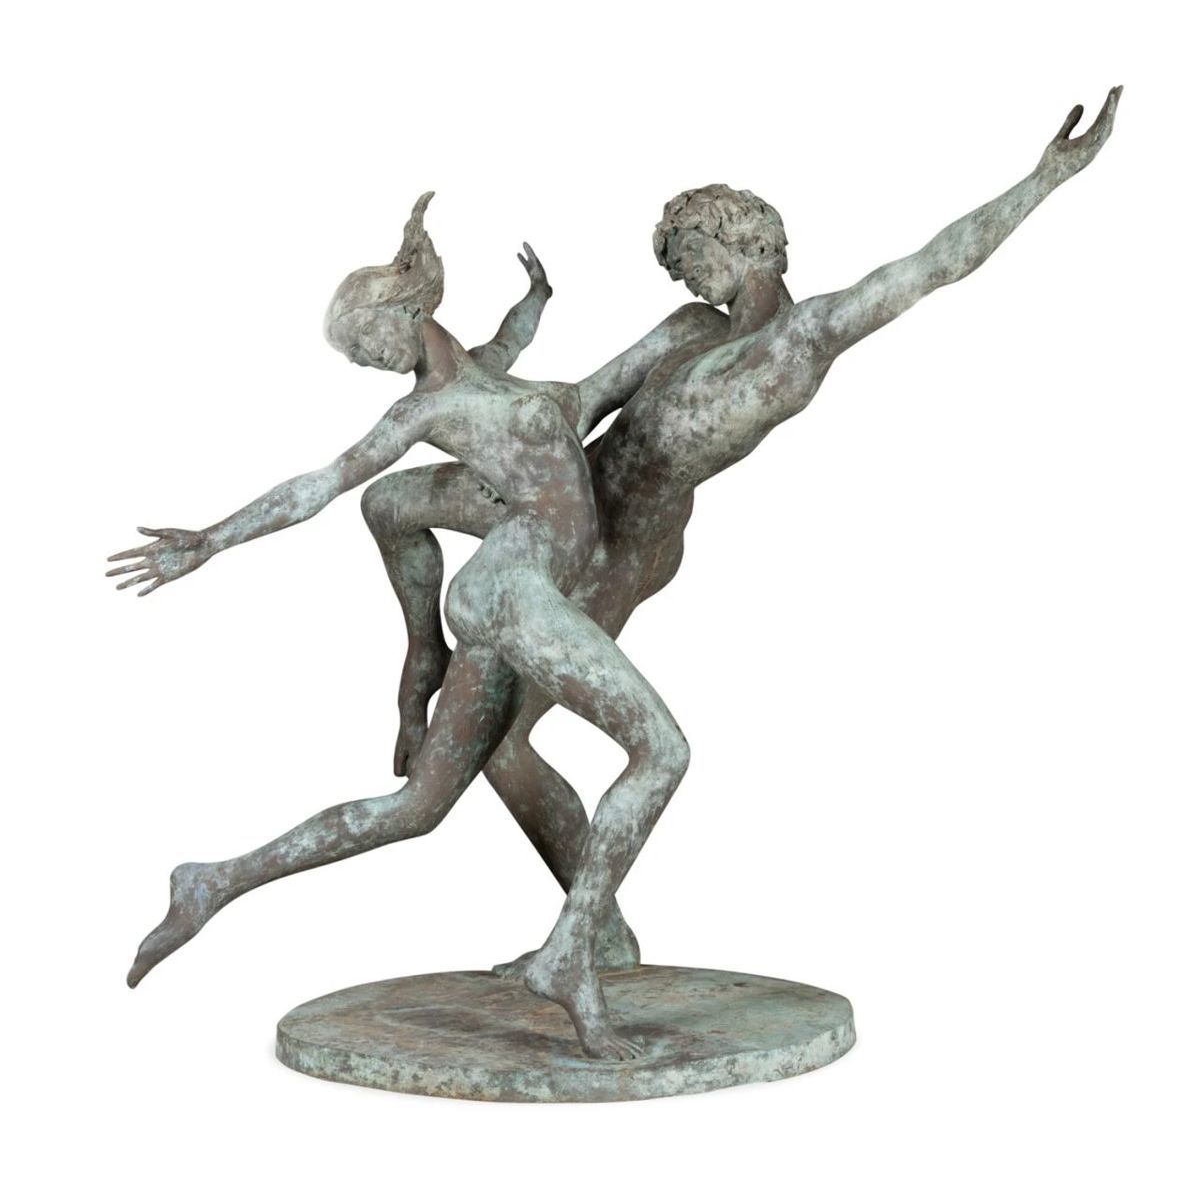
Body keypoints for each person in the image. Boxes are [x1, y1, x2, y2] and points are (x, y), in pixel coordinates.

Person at [360, 89, 1124, 975]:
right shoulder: (691, 327)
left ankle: (591, 932)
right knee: (387, 503)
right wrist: (473, 391)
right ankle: (424, 661)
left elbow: (927, 267)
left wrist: (1042, 179)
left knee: (502, 743)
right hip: (561, 492)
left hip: (618, 547)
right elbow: (584, 399)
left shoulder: (800, 343)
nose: (685, 277)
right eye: (678, 263)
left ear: (744, 240)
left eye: (689, 255)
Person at [110, 193, 690, 1061]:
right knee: (662, 750)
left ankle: (212, 882)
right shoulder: (425, 408)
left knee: (414, 808)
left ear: (405, 310)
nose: (368, 361)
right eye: (358, 353)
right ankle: (571, 957)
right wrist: (214, 539)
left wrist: (535, 302)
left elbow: (512, 348)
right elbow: (323, 483)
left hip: (511, 596)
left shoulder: (483, 370)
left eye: (367, 342)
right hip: (511, 588)